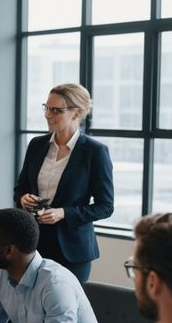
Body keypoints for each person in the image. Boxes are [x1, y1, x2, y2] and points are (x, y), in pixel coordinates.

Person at [14, 83, 114, 283]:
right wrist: (23, 198)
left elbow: (105, 207)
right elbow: (20, 189)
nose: (48, 115)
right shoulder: (36, 145)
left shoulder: (95, 152)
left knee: (65, 311)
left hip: (72, 250)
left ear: (77, 113)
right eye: (46, 108)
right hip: (34, 244)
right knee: (30, 309)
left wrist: (64, 213)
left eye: (56, 110)